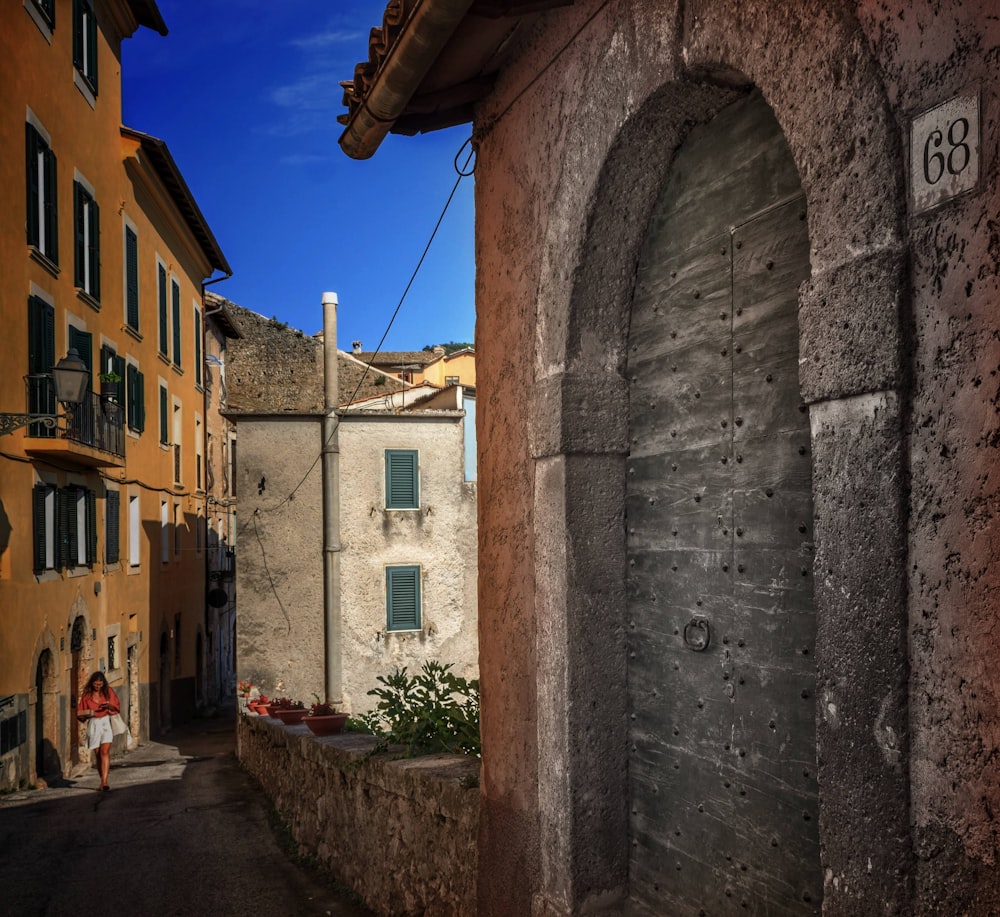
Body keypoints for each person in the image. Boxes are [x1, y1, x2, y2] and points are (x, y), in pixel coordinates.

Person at [77, 671, 120, 791]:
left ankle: (105, 782)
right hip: (94, 723)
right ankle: (102, 780)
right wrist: (86, 715)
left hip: (106, 721)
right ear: (92, 683)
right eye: (96, 684)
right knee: (97, 754)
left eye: (100, 684)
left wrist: (108, 706)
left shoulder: (108, 691)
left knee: (105, 752)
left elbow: (116, 707)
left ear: (103, 683)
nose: (98, 687)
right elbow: (81, 713)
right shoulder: (87, 695)